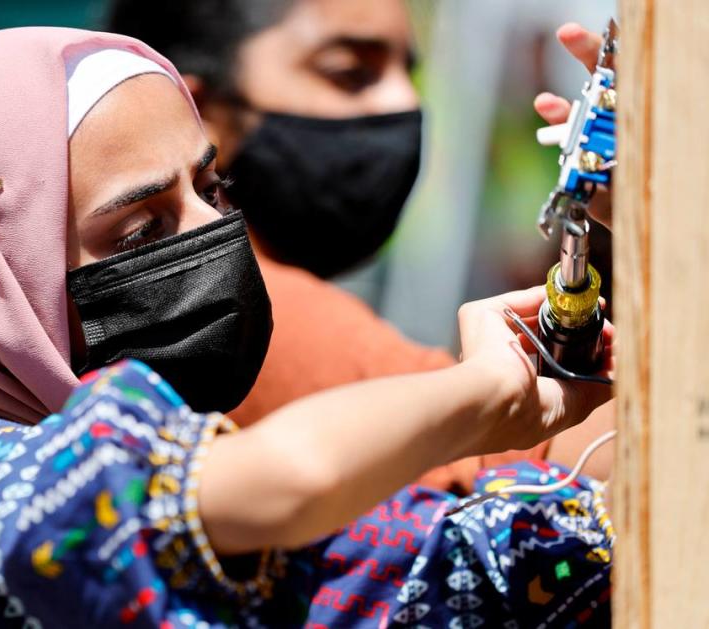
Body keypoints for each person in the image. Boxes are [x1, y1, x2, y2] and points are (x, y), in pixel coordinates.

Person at [0, 27, 612, 627]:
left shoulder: (265, 534)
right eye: (141, 233)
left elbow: (530, 558)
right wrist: (475, 394)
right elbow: (281, 480)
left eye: (213, 192)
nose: (214, 241)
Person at [107, 0, 615, 490]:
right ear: (199, 111)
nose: (404, 104)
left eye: (407, 74)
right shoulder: (237, 314)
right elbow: (580, 455)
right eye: (349, 72)